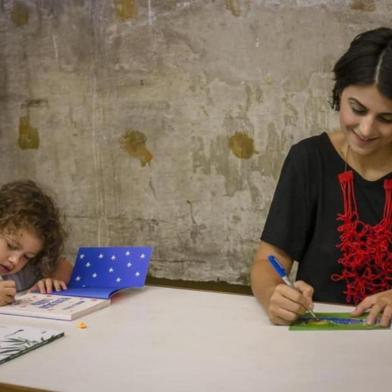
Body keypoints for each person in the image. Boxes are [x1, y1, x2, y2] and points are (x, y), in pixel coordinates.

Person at [251, 27, 392, 327]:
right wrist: (274, 294)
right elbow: (267, 262)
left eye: (386, 118)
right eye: (357, 109)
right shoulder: (309, 159)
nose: (366, 129)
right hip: (320, 336)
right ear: (339, 93)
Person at [0, 180, 73, 306]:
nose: (15, 261)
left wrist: (52, 280)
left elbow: (64, 266)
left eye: (27, 257)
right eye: (11, 245)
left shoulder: (20, 272)